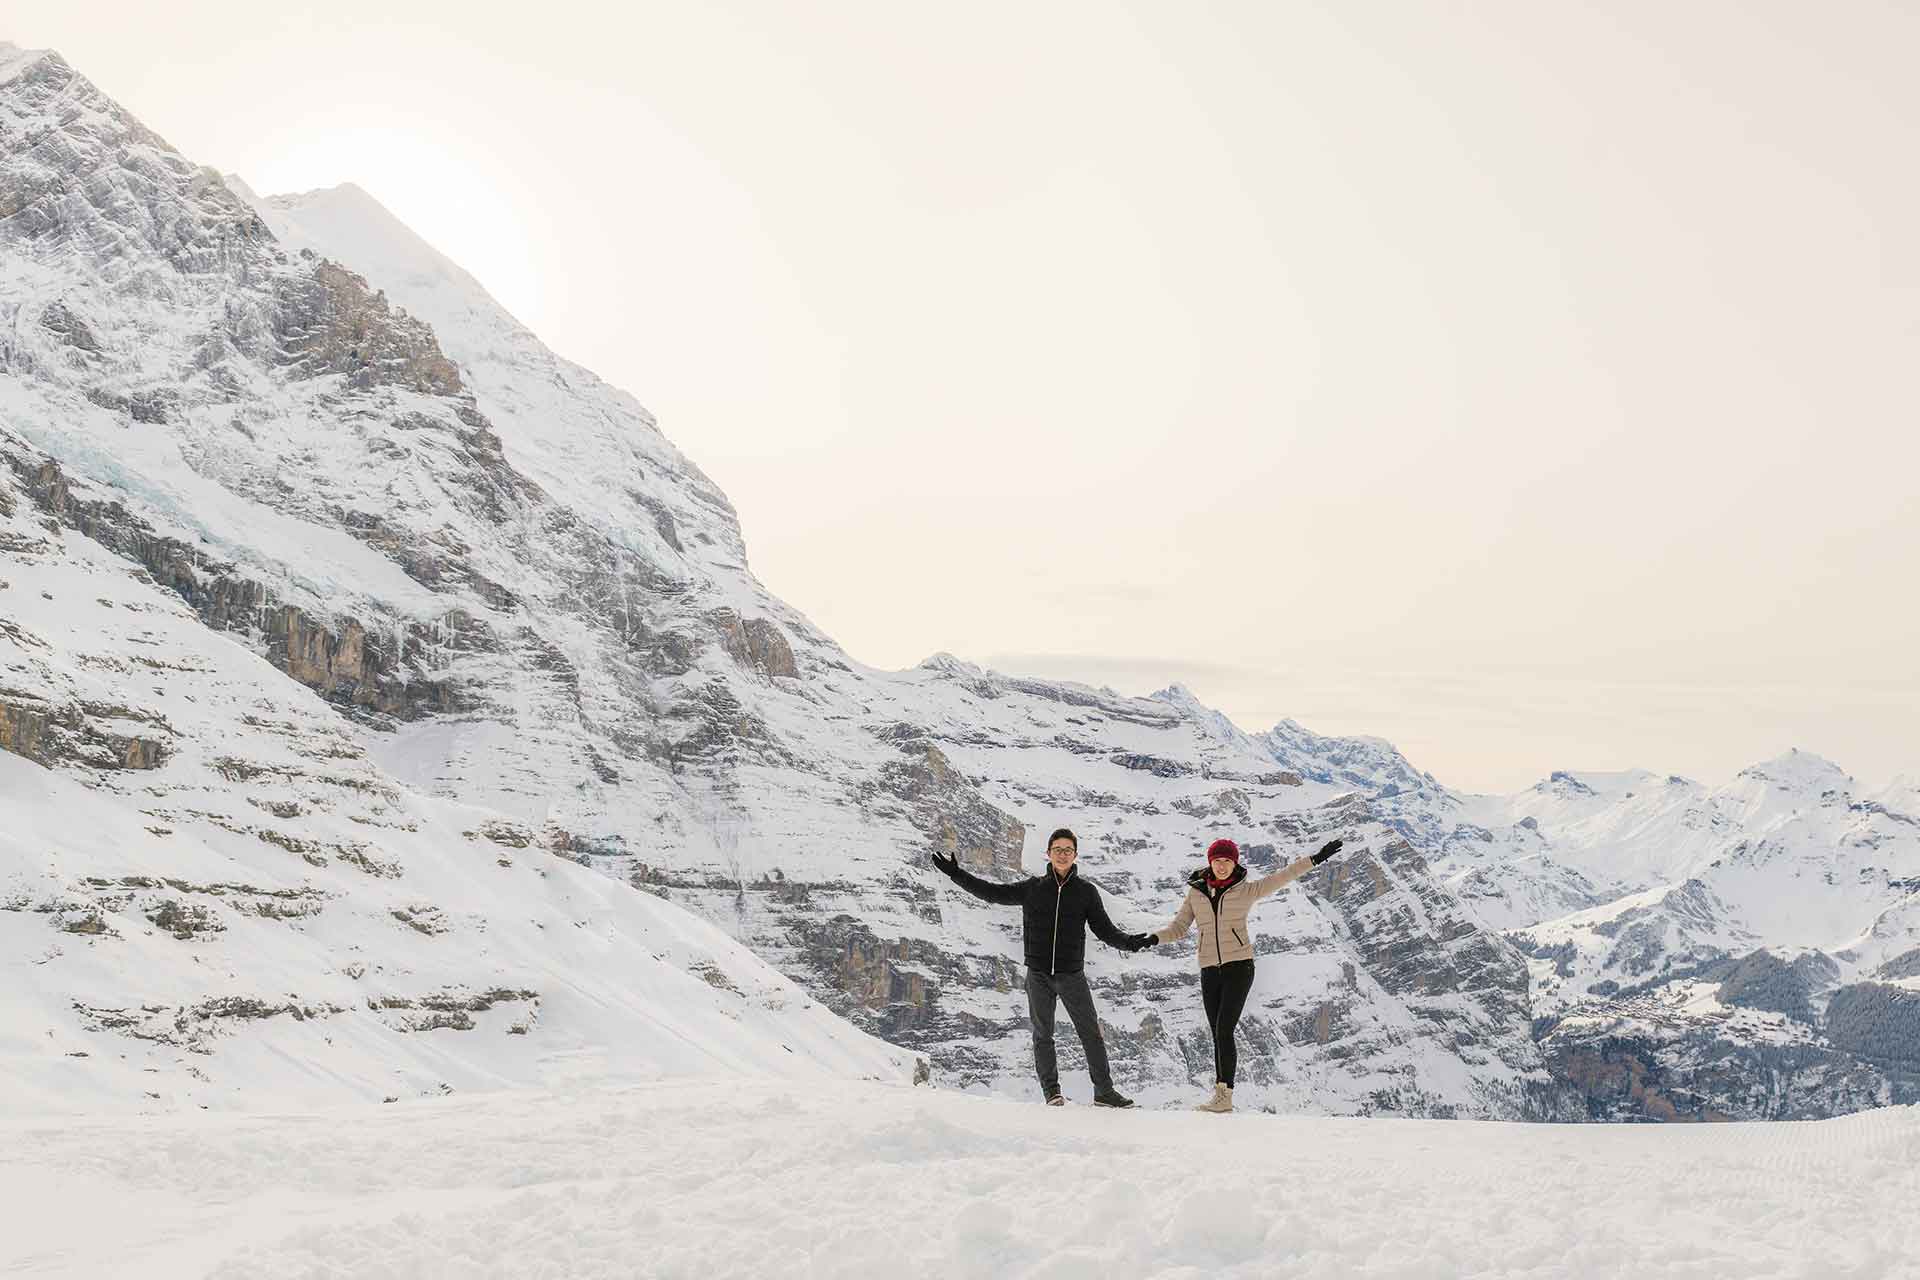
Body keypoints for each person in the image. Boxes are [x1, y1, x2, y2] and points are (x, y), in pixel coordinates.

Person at [929, 827, 1154, 1107]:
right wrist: (956, 874)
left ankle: (1104, 1092)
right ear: (1048, 854)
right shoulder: (1032, 889)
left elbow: (1105, 930)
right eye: (1057, 849)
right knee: (1043, 1035)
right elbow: (991, 893)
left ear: (1075, 856)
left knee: (1091, 1034)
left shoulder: (1086, 892)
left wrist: (1131, 942)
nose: (1062, 854)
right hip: (1038, 975)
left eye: (1067, 850)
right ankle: (1052, 1094)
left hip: (1071, 975)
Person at [1139, 836, 1344, 1113]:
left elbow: (1284, 876)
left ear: (1235, 863)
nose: (1222, 866)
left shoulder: (1245, 890)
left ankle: (1224, 1096)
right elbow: (1179, 928)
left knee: (1225, 1029)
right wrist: (1153, 939)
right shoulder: (1196, 893)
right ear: (1210, 862)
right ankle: (1220, 1095)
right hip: (1209, 968)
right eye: (1217, 860)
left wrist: (1317, 858)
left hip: (1239, 966)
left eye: (1227, 861)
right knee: (1216, 1032)